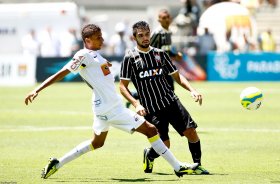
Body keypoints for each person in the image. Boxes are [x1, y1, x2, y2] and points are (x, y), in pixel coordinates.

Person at [24, 24, 199, 179]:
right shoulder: (83, 55)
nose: (102, 39)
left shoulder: (95, 56)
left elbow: (93, 78)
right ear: (87, 40)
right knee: (152, 130)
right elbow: (62, 72)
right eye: (98, 38)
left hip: (102, 108)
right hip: (111, 108)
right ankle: (178, 167)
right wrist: (37, 90)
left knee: (96, 143)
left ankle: (58, 163)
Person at [119, 21, 209, 175]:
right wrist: (136, 104)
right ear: (135, 38)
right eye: (141, 35)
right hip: (151, 109)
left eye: (147, 34)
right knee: (165, 144)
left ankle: (197, 165)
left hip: (171, 101)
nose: (145, 38)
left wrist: (192, 90)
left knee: (191, 132)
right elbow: (122, 86)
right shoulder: (130, 58)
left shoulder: (160, 54)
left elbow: (177, 76)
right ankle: (149, 154)